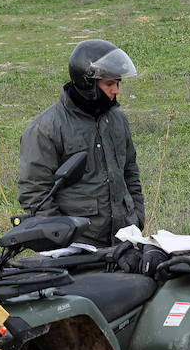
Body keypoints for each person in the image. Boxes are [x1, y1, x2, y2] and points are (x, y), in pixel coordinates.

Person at [18, 39, 145, 247]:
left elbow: (130, 172)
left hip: (124, 241)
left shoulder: (118, 120)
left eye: (118, 83)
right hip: (78, 247)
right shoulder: (45, 128)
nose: (116, 91)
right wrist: (61, 239)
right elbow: (35, 193)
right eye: (109, 84)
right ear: (88, 84)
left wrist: (137, 218)